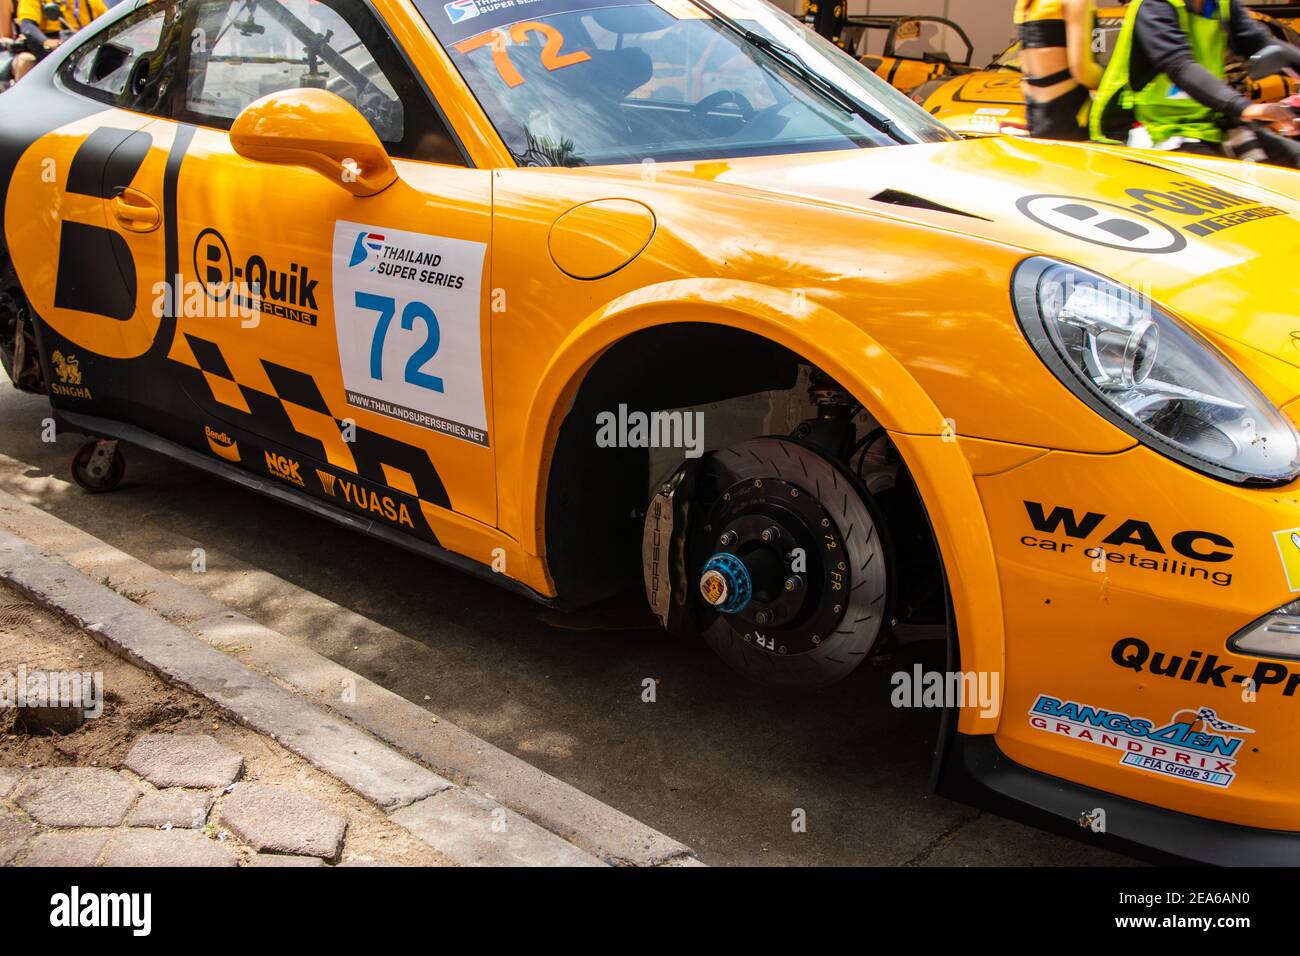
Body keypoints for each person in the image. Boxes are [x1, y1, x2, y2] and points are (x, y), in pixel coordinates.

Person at [1091, 0, 1297, 155]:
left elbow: (1264, 43)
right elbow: (1179, 65)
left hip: (1209, 121)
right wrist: (1245, 107)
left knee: (1291, 163)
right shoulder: (1154, 5)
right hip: (1155, 129)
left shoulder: (1220, 4)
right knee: (1224, 192)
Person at [1014, 0, 1103, 141]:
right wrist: (1112, 82)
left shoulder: (1029, 4)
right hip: (1068, 112)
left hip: (1035, 112)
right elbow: (1081, 70)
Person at [11, 0, 105, 82]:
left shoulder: (91, 2)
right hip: (50, 49)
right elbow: (27, 25)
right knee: (24, 60)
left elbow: (106, 22)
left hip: (86, 45)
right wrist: (46, 41)